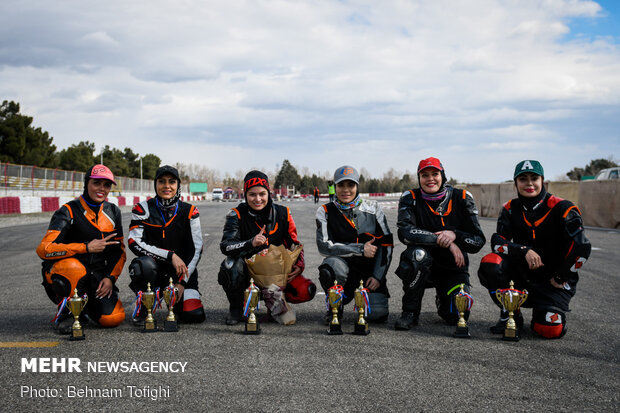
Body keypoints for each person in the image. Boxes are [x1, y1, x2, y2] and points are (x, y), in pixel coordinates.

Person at [478, 160, 591, 338]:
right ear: (515, 183)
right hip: (522, 278)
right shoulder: (509, 208)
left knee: (549, 330)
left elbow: (582, 247)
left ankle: (545, 311)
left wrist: (562, 275)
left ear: (543, 181)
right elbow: (498, 242)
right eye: (523, 179)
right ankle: (510, 312)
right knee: (491, 262)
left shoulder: (563, 207)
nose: (529, 183)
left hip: (554, 282)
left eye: (534, 178)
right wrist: (523, 250)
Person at [394, 157, 485, 330]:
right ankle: (410, 312)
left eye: (435, 174)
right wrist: (445, 241)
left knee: (457, 315)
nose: (430, 179)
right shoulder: (409, 197)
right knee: (416, 255)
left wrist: (455, 235)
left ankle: (443, 298)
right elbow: (404, 233)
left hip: (453, 267)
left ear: (442, 175)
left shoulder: (463, 197)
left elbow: (478, 241)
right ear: (419, 178)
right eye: (424, 175)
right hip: (422, 266)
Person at [36, 164, 126, 333]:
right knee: (73, 268)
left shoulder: (113, 211)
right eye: (96, 183)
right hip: (67, 273)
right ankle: (67, 312)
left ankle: (86, 308)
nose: (102, 189)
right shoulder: (68, 210)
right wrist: (86, 247)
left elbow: (119, 252)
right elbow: (44, 249)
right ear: (87, 183)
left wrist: (110, 278)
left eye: (107, 185)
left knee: (113, 318)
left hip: (96, 279)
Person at [218, 170, 316, 325]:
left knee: (306, 290)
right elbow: (226, 246)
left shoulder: (284, 213)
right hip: (248, 272)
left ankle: (275, 304)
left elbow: (295, 244)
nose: (257, 199)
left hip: (276, 273)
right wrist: (250, 243)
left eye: (262, 194)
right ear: (245, 194)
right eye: (252, 194)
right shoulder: (235, 214)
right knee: (230, 265)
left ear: (269, 193)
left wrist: (299, 265)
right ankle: (236, 308)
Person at [127, 165, 206, 324]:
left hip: (181, 272)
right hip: (154, 271)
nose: (167, 186)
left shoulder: (190, 211)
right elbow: (134, 242)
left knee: (193, 316)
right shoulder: (142, 209)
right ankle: (146, 302)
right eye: (162, 181)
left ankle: (176, 303)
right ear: (156, 184)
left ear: (178, 185)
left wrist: (182, 282)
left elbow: (196, 249)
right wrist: (170, 255)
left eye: (172, 181)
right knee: (142, 265)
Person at [316, 165, 393, 323]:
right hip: (343, 271)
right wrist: (360, 249)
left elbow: (387, 245)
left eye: (350, 185)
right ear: (334, 187)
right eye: (341, 185)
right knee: (329, 267)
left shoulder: (374, 208)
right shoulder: (324, 211)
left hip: (369, 273)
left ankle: (368, 298)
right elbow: (324, 246)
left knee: (376, 315)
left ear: (357, 186)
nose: (346, 190)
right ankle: (335, 308)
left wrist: (378, 276)